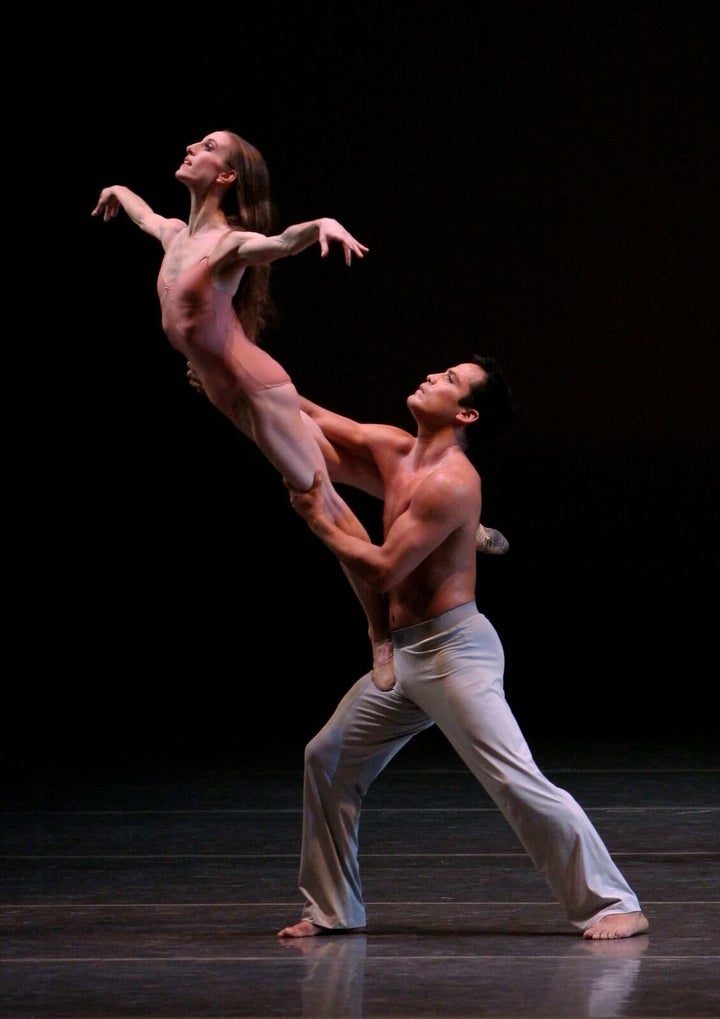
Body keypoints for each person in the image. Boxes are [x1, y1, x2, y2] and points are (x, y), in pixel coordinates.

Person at [92, 129, 508, 691]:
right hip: (230, 395)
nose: (192, 146)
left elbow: (279, 243)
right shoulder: (175, 235)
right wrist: (119, 188)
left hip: (257, 391)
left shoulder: (229, 244)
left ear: (226, 176)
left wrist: (319, 228)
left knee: (321, 496)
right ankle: (468, 527)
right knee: (351, 456)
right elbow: (146, 217)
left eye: (208, 146)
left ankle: (379, 633)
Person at [278, 355, 650, 941]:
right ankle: (333, 909)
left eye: (449, 380)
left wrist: (319, 520)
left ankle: (614, 902)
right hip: (405, 659)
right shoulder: (394, 447)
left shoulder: (453, 480)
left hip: (455, 654)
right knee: (326, 758)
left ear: (465, 413)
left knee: (513, 779)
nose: (431, 376)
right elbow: (304, 409)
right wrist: (228, 375)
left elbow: (380, 570)